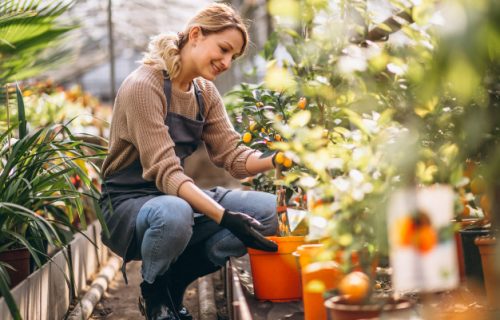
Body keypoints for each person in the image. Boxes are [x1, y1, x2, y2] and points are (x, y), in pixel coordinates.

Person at [99, 3, 279, 320]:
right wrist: (225, 218)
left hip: (173, 197)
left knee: (268, 211)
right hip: (128, 203)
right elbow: (167, 173)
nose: (226, 62)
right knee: (175, 212)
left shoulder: (204, 92)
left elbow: (234, 157)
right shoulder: (145, 86)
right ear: (195, 34)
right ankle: (154, 293)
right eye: (223, 49)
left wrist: (278, 159)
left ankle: (176, 281)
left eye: (233, 57)